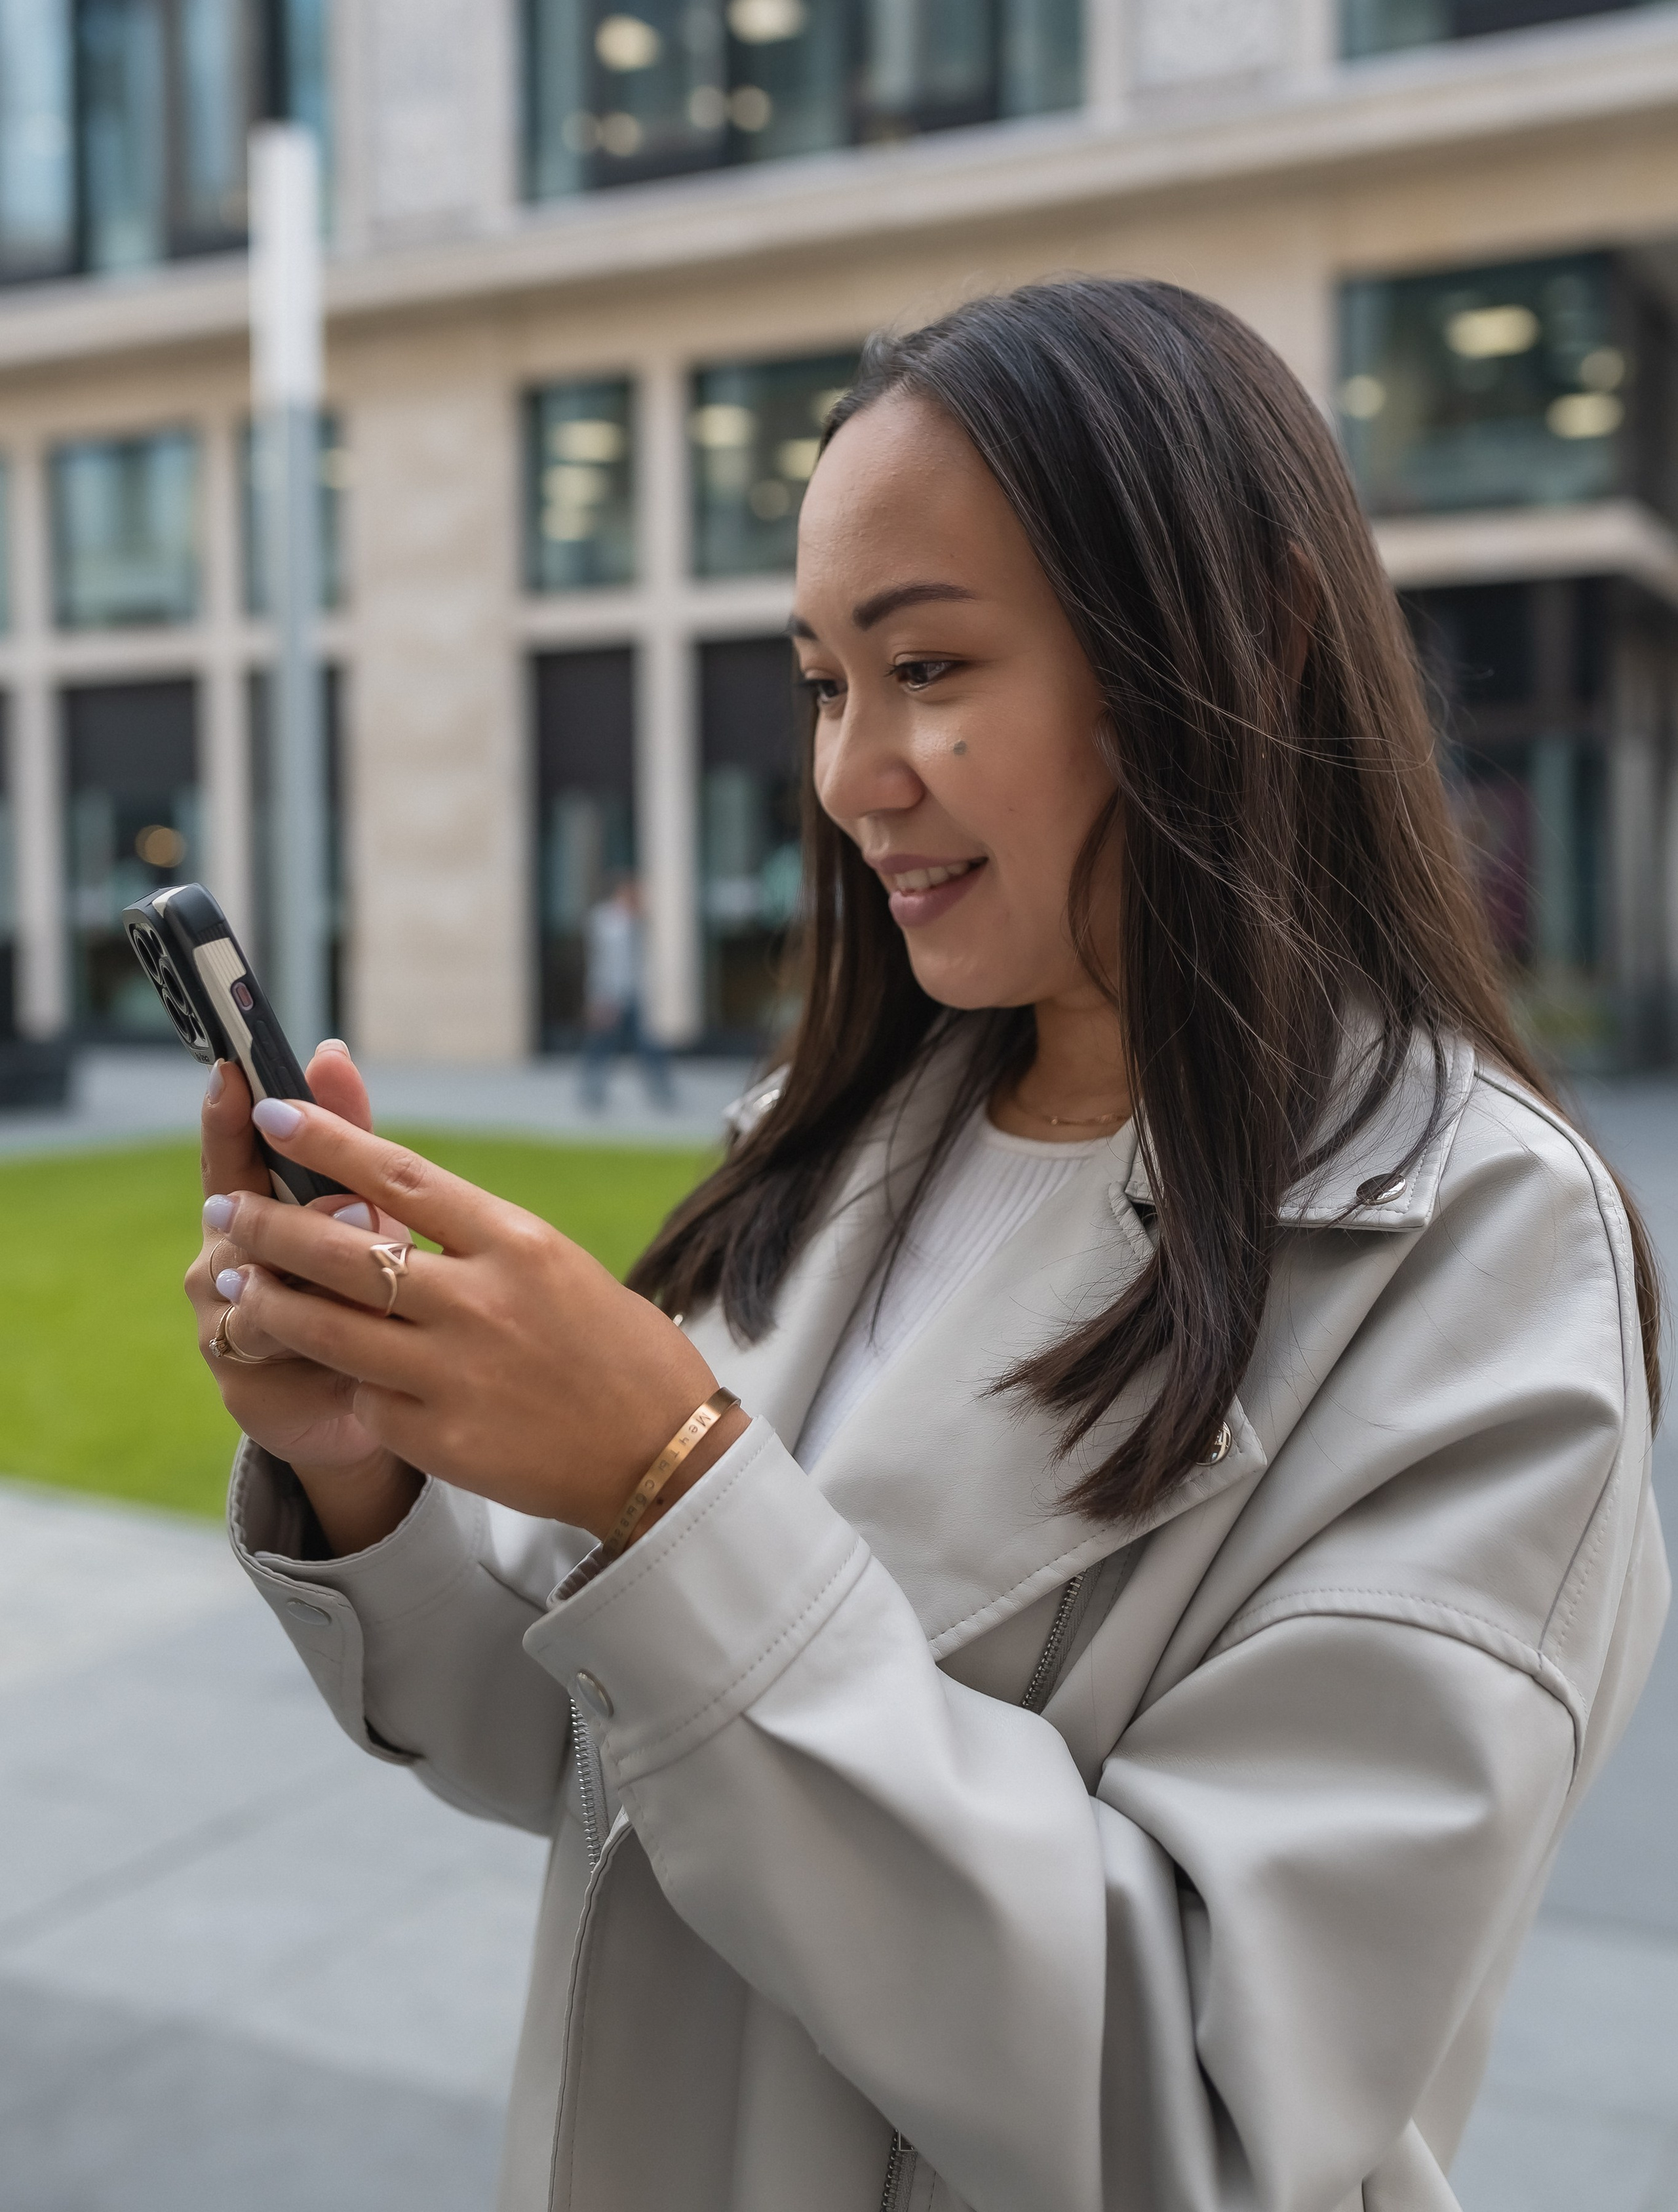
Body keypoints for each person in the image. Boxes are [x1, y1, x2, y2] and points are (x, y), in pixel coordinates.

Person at [187, 278, 1667, 2212]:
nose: (848, 771)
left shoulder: (1473, 1257)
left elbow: (1204, 2114)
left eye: (931, 667)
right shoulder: (836, 1141)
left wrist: (671, 1489)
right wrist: (362, 1465)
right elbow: (583, 1741)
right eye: (821, 680)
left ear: (1254, 641)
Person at [579, 873, 672, 1109]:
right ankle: (592, 1092)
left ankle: (662, 1092)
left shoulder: (635, 922)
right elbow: (602, 964)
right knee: (602, 1047)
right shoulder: (606, 921)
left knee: (646, 1046)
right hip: (611, 996)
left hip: (632, 995)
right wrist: (600, 999)